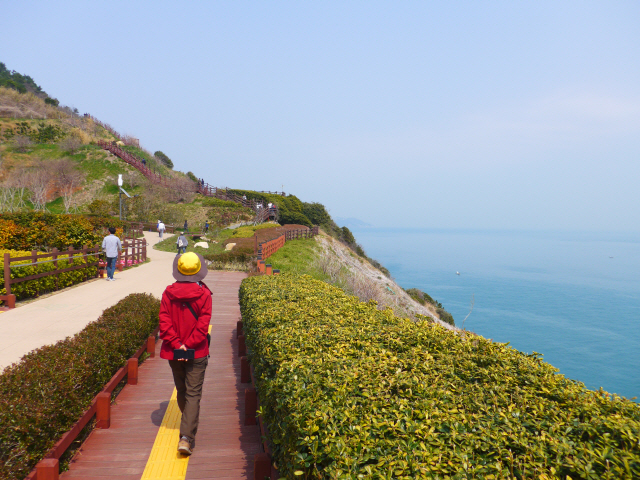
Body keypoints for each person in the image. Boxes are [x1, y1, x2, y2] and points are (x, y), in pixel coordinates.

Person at [159, 252, 211, 456]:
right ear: (198, 270)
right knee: (193, 393)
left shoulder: (168, 293)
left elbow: (164, 321)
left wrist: (176, 343)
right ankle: (187, 437)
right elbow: (203, 323)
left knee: (182, 389)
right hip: (196, 351)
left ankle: (187, 426)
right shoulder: (204, 294)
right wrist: (188, 344)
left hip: (174, 351)